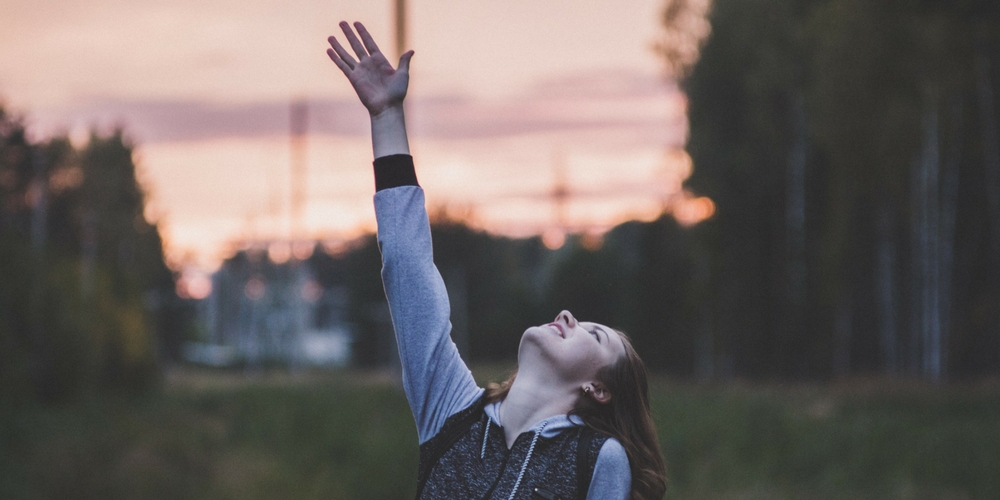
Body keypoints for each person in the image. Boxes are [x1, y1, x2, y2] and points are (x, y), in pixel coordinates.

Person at [326, 21, 667, 500]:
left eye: (594, 334)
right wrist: (385, 118)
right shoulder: (449, 409)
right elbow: (406, 265)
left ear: (599, 389)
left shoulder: (598, 458)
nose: (568, 316)